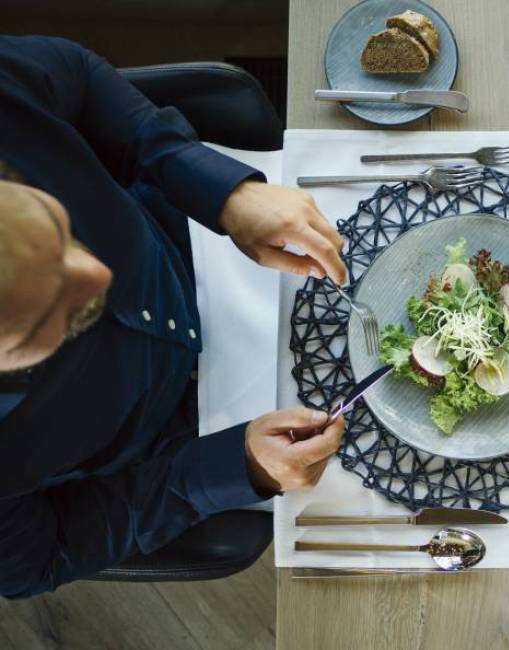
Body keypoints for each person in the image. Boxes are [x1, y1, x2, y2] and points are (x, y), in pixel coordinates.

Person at [0, 35, 351, 597]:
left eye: (55, 226)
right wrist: (222, 475)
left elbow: (78, 80)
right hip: (181, 435)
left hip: (195, 230)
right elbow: (40, 554)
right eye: (46, 319)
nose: (101, 277)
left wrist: (221, 192)